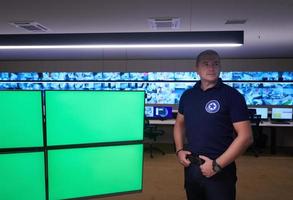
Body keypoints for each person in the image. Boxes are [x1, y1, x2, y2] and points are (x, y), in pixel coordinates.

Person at [173, 50, 253, 200]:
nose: (211, 68)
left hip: (220, 168)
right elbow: (179, 124)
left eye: (216, 63)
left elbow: (246, 137)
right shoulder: (188, 95)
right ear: (196, 68)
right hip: (192, 167)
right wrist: (179, 150)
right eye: (206, 63)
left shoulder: (232, 96)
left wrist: (216, 165)